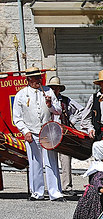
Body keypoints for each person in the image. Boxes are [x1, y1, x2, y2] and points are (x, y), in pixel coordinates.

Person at [12, 67, 64, 201]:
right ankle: (37, 192)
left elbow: (58, 110)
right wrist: (25, 131)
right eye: (35, 78)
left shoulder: (48, 91)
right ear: (28, 79)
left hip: (48, 132)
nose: (38, 80)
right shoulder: (21, 94)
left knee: (51, 162)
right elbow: (17, 117)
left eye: (39, 78)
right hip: (32, 133)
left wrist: (50, 104)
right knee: (35, 163)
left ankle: (55, 193)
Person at [47, 76, 84, 195]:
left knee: (65, 160)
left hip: (63, 134)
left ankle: (67, 187)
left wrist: (72, 121)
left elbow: (81, 110)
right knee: (50, 160)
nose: (54, 90)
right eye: (52, 87)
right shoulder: (44, 100)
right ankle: (53, 187)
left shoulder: (65, 100)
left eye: (55, 88)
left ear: (59, 89)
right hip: (49, 133)